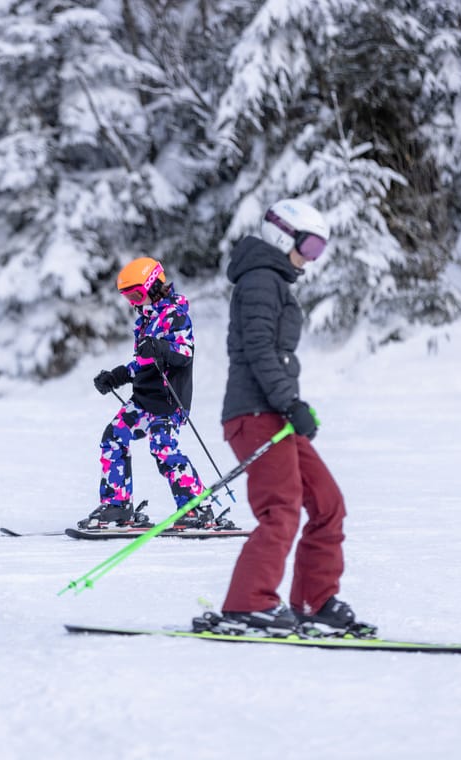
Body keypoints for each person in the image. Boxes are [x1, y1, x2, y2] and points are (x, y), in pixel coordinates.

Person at [209, 198, 374, 637]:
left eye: (320, 249)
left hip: (275, 412)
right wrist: (290, 403)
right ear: (283, 235)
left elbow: (272, 355)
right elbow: (261, 351)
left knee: (327, 503)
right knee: (281, 510)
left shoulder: (273, 280)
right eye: (310, 245)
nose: (312, 257)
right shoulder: (261, 279)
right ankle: (247, 605)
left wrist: (291, 406)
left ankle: (313, 602)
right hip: (255, 412)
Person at [80, 257, 232, 532]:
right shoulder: (146, 320)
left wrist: (161, 349)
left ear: (153, 286)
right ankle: (117, 505)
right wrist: (117, 376)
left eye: (136, 294)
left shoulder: (176, 314)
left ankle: (196, 508)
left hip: (169, 400)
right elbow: (142, 363)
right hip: (143, 400)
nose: (133, 302)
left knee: (163, 449)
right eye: (128, 297)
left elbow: (184, 355)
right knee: (113, 438)